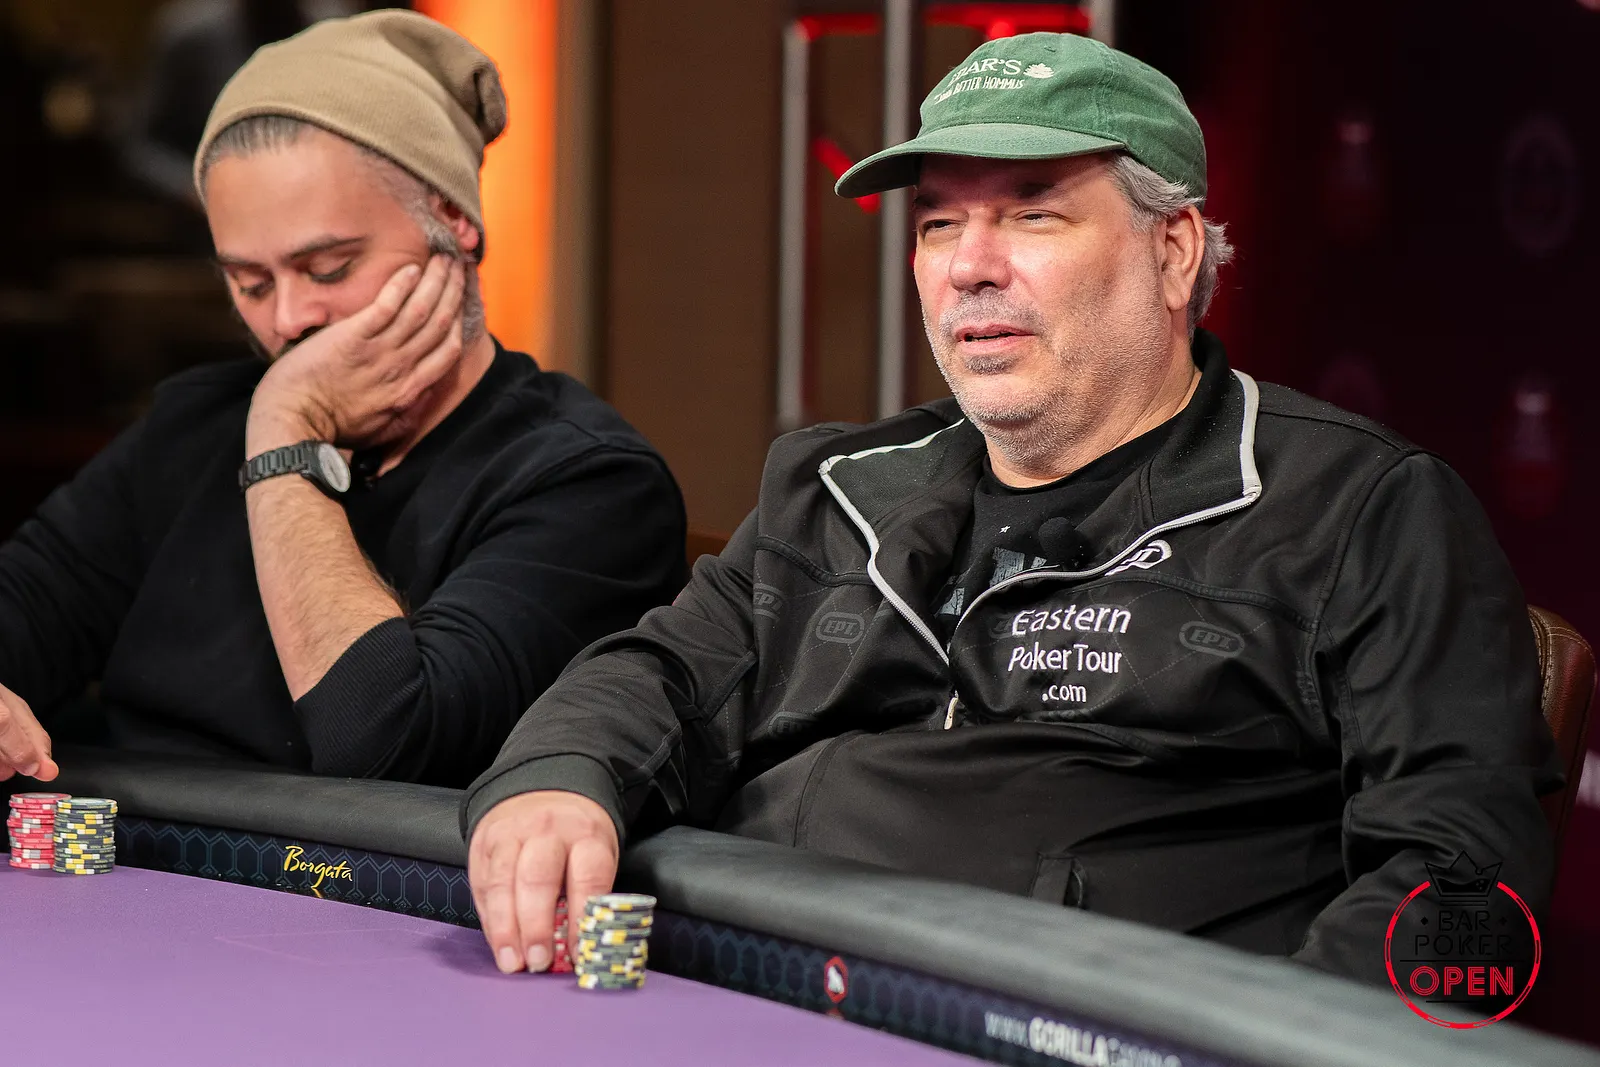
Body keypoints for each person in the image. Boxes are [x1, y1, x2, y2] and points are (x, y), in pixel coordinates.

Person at [461, 33, 1558, 983]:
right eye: (939, 224)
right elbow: (661, 672)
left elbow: (1461, 883)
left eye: (1033, 213)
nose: (969, 267)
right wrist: (559, 777)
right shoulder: (834, 485)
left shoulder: (1359, 510)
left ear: (1173, 251)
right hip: (742, 993)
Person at [0, 11, 686, 788]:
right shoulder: (192, 430)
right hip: (125, 853)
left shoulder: (590, 483)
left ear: (454, 221)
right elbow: (24, 607)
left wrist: (286, 435)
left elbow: (384, 742)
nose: (289, 320)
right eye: (250, 282)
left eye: (328, 268)